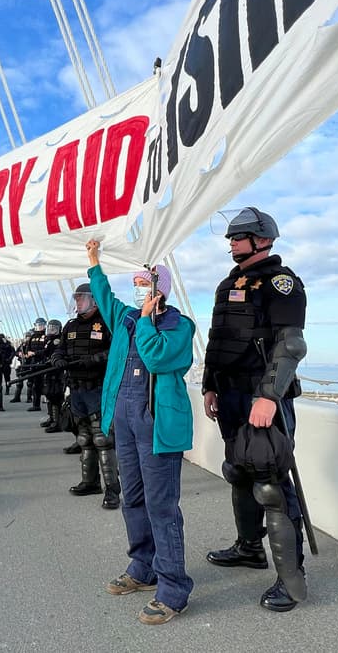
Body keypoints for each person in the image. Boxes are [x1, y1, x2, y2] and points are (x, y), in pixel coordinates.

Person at [201, 207, 310, 613]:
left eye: (238, 237)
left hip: (262, 398)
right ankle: (249, 548)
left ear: (262, 239)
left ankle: (292, 581)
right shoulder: (227, 284)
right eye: (231, 238)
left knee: (271, 483)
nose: (232, 243)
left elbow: (290, 345)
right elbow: (218, 340)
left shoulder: (281, 283)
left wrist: (267, 396)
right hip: (229, 396)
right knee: (239, 472)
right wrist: (210, 385)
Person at [85, 239, 195, 626]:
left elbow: (156, 357)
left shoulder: (179, 326)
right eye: (134, 284)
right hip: (126, 421)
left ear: (159, 289)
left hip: (157, 425)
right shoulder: (127, 319)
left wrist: (147, 320)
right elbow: (104, 296)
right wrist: (94, 262)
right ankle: (143, 566)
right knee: (132, 497)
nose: (137, 290)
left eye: (143, 284)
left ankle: (174, 588)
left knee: (161, 505)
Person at [49, 284, 116, 507]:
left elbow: (116, 351)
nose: (77, 302)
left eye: (81, 298)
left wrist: (94, 359)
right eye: (76, 298)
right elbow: (60, 349)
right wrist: (57, 359)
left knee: (103, 440)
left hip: (98, 389)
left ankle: (112, 490)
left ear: (94, 300)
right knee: (84, 439)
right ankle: (90, 482)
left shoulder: (106, 323)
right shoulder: (70, 325)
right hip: (77, 390)